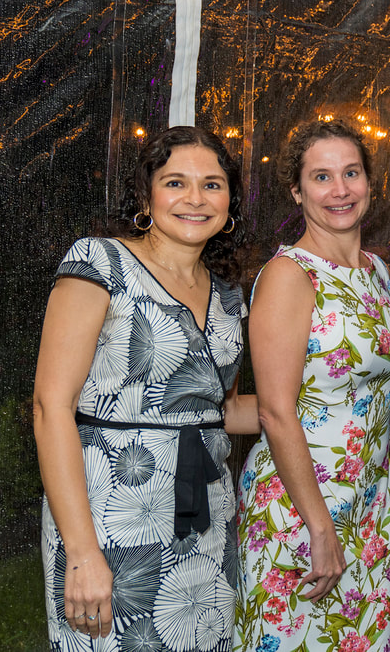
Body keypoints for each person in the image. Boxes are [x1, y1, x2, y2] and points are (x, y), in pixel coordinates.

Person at [33, 125, 257, 650]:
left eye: (212, 184)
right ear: (146, 195)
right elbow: (50, 406)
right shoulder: (99, 263)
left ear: (230, 201)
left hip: (208, 519)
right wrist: (82, 552)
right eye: (175, 182)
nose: (195, 199)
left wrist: (335, 404)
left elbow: (217, 410)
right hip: (111, 518)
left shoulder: (230, 298)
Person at [234, 120, 390, 652]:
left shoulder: (376, 270)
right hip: (301, 504)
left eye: (351, 173)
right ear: (297, 191)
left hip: (369, 500)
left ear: (368, 182)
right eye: (321, 177)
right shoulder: (289, 276)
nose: (340, 190)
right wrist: (318, 527)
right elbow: (275, 412)